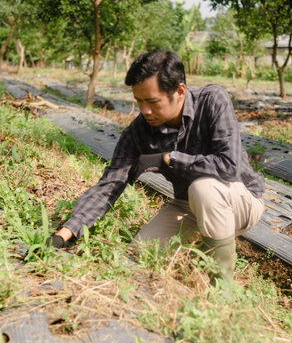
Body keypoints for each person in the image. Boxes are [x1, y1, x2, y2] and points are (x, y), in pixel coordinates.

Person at [46, 50, 265, 282]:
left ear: (179, 91)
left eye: (152, 101)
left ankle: (222, 289)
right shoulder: (139, 131)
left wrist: (169, 158)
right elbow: (109, 185)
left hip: (240, 200)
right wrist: (64, 234)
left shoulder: (212, 100)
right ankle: (200, 246)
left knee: (203, 188)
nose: (144, 110)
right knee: (141, 252)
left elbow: (228, 166)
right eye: (139, 101)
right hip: (187, 205)